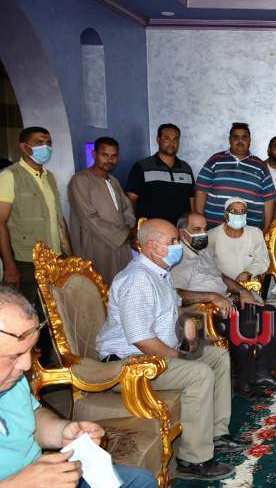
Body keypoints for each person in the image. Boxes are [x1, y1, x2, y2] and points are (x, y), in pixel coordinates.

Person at [95, 219, 245, 481]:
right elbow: (141, 338)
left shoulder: (159, 273)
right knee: (198, 373)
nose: (178, 246)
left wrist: (201, 306)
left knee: (218, 355)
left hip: (157, 353)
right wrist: (178, 357)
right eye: (173, 241)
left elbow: (177, 303)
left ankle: (216, 434)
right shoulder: (137, 279)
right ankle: (193, 460)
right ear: (152, 246)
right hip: (130, 363)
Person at [0, 284, 157, 488]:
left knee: (141, 480)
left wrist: (62, 431)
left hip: (49, 477)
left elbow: (32, 418)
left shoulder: (13, 379)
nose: (26, 365)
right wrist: (19, 483)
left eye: (30, 350)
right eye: (14, 356)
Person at [171, 212, 276, 396]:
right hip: (206, 312)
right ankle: (245, 381)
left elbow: (221, 277)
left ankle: (263, 372)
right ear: (182, 233)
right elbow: (177, 294)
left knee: (270, 312)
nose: (203, 234)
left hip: (228, 301)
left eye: (204, 229)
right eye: (197, 230)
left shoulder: (203, 251)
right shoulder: (179, 259)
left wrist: (242, 291)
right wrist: (212, 296)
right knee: (247, 322)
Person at [0, 126, 70, 304]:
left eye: (48, 143)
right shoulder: (10, 176)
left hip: (54, 257)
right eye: (39, 143)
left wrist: (68, 254)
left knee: (54, 312)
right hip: (26, 261)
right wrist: (9, 266)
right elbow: (0, 222)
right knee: (30, 310)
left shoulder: (49, 177)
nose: (46, 147)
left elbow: (58, 218)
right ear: (24, 147)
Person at [68, 136, 136, 283]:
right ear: (94, 154)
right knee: (99, 287)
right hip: (95, 244)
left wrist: (129, 227)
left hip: (121, 243)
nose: (110, 160)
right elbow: (88, 218)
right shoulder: (80, 180)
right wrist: (123, 234)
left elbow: (127, 208)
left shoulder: (113, 181)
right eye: (105, 155)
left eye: (114, 156)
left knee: (121, 283)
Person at [195, 122, 276, 232]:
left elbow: (269, 200)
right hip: (214, 230)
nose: (240, 141)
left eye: (244, 137)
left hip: (249, 232)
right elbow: (201, 191)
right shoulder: (215, 160)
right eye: (236, 137)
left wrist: (267, 228)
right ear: (230, 140)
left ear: (249, 140)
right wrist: (200, 224)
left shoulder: (260, 166)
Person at [125, 123, 194, 225]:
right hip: (152, 228)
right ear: (158, 139)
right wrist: (134, 226)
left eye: (175, 139)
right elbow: (131, 200)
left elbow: (191, 199)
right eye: (167, 138)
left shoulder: (186, 168)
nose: (172, 143)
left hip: (180, 228)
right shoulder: (142, 167)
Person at [207, 198, 269, 283]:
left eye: (242, 211)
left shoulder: (255, 233)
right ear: (225, 215)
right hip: (218, 284)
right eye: (234, 211)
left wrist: (248, 272)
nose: (238, 215)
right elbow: (207, 264)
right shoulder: (211, 235)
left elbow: (262, 260)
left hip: (246, 284)